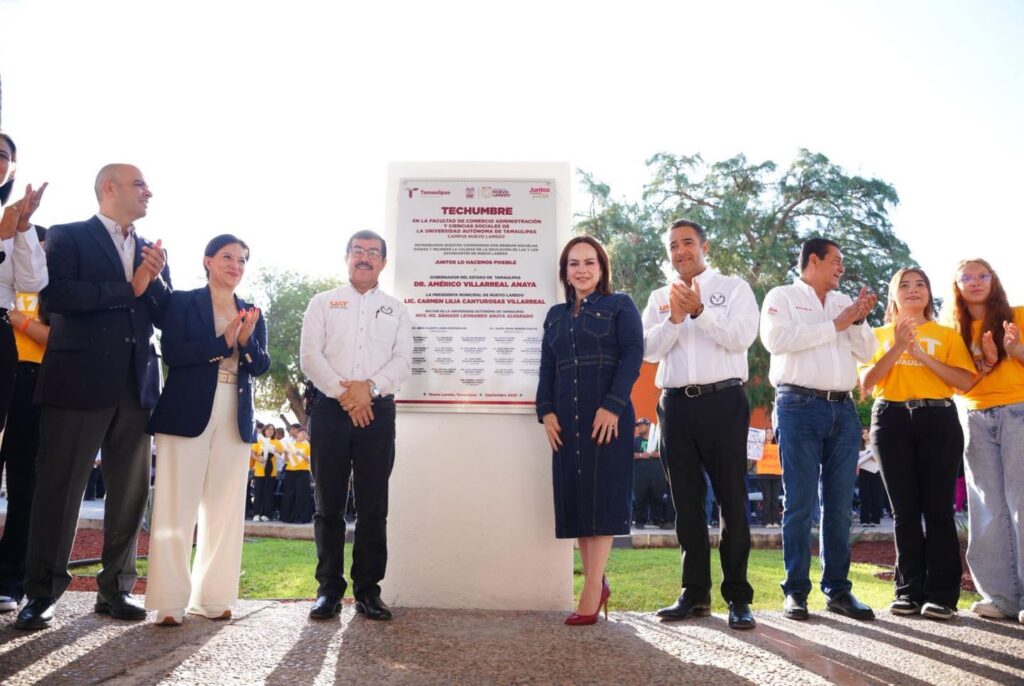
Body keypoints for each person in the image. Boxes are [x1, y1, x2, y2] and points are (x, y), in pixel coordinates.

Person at [15, 163, 171, 630]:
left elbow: (161, 313)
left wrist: (155, 280)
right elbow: (57, 297)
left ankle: (117, 588)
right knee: (59, 490)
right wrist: (130, 287)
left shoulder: (150, 248)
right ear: (109, 188)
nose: (148, 192)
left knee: (130, 494)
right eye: (139, 184)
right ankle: (41, 593)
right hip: (76, 381)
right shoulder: (67, 236)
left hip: (137, 386)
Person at [144, 234, 269, 626]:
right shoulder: (183, 302)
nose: (236, 265)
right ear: (208, 261)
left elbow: (260, 365)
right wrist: (222, 342)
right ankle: (169, 602)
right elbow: (174, 354)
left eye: (242, 260)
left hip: (236, 413)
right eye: (228, 257)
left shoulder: (252, 312)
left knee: (225, 509)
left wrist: (245, 343)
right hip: (186, 410)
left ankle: (214, 598)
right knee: (175, 507)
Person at [642, 219, 759, 630]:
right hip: (675, 406)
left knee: (732, 501)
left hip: (723, 401)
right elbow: (648, 351)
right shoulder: (659, 297)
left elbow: (740, 338)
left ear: (704, 247)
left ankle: (738, 597)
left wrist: (700, 312)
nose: (680, 251)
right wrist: (674, 319)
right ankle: (694, 595)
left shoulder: (734, 288)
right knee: (687, 504)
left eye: (688, 242)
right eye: (673, 245)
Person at [759, 237, 878, 622]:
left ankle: (838, 590)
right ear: (814, 259)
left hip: (843, 409)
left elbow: (867, 352)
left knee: (840, 506)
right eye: (836, 260)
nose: (841, 268)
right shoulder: (782, 296)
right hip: (797, 405)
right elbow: (776, 340)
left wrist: (857, 320)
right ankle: (795, 591)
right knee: (799, 503)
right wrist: (834, 325)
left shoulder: (844, 302)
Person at [300, 229, 412, 621]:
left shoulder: (396, 310)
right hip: (329, 411)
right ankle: (328, 590)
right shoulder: (322, 302)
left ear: (383, 262)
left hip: (377, 414)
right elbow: (309, 356)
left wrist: (370, 389)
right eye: (358, 251)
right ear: (347, 257)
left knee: (373, 506)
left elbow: (403, 361)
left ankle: (368, 591)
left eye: (373, 252)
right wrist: (345, 394)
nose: (365, 257)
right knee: (328, 505)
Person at [537, 235, 643, 626]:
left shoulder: (620, 305)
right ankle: (597, 583)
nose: (581, 270)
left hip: (606, 415)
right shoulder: (555, 316)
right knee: (580, 500)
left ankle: (592, 587)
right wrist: (546, 412)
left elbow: (633, 354)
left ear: (601, 269)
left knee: (602, 497)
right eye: (573, 263)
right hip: (567, 418)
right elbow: (547, 367)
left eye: (589, 262)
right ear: (565, 272)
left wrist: (613, 406)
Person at [860, 267, 975, 619]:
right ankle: (908, 591)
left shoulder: (947, 334)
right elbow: (867, 382)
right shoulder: (876, 335)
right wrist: (898, 347)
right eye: (904, 285)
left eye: (920, 284)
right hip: (890, 420)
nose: (913, 290)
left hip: (938, 419)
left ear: (928, 292)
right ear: (893, 295)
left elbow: (964, 382)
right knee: (904, 511)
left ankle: (942, 596)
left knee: (938, 510)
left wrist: (922, 355)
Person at [946, 258, 1024, 623]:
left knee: (1021, 503)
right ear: (957, 286)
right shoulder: (952, 331)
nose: (975, 282)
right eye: (967, 277)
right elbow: (954, 384)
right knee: (987, 508)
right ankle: (1000, 598)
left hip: (1018, 411)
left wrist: (1016, 352)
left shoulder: (1018, 316)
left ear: (993, 281)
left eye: (982, 275)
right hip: (975, 418)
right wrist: (987, 363)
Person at [0, 165, 49, 613]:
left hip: (30, 384)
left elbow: (56, 339)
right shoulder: (7, 279)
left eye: (34, 246)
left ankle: (10, 580)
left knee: (23, 486)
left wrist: (18, 320)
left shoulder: (45, 290)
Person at [632, 418, 667, 528]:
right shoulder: (635, 440)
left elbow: (667, 454)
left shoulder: (658, 440)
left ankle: (657, 519)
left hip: (657, 474)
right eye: (638, 426)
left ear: (648, 426)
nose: (639, 427)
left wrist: (659, 454)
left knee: (657, 497)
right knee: (640, 497)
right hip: (640, 475)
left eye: (642, 425)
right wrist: (641, 455)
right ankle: (640, 521)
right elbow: (629, 454)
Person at [280, 428, 313, 524]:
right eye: (301, 433)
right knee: (289, 494)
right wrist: (286, 454)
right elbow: (285, 460)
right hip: (290, 471)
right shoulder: (291, 444)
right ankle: (288, 517)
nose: (303, 435)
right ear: (297, 434)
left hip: (303, 471)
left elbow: (310, 459)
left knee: (301, 494)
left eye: (305, 433)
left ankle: (301, 517)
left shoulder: (308, 445)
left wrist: (301, 454)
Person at [252, 424, 281, 521]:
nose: (270, 431)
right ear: (264, 430)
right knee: (258, 492)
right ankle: (256, 513)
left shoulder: (276, 442)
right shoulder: (259, 440)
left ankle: (267, 514)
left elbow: (282, 453)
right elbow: (253, 452)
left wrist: (277, 450)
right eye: (268, 429)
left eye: (272, 429)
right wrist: (258, 459)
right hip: (260, 471)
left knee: (268, 493)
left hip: (271, 471)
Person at [856, 428, 883, 527]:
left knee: (876, 496)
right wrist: (867, 457)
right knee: (864, 497)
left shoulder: (875, 445)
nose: (866, 435)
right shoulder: (858, 447)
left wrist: (873, 457)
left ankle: (875, 520)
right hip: (864, 472)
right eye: (863, 433)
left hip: (876, 472)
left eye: (867, 433)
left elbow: (879, 458)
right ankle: (864, 520)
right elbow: (857, 461)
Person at [756, 428, 783, 528]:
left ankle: (776, 521)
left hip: (777, 474)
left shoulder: (779, 446)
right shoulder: (759, 446)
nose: (769, 434)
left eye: (771, 432)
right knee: (767, 498)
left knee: (775, 498)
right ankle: (766, 521)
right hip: (764, 474)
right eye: (767, 432)